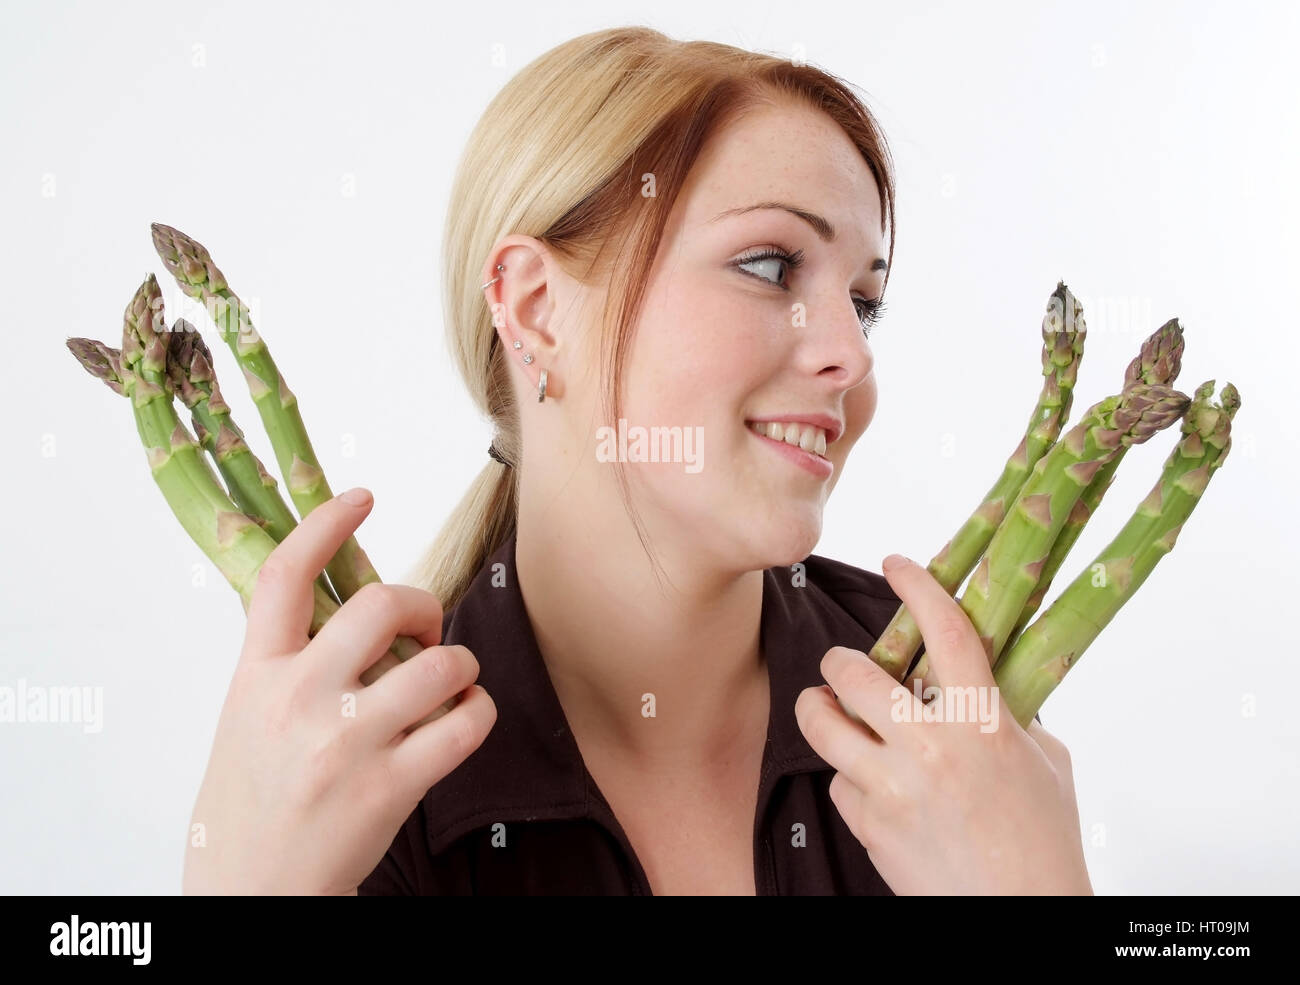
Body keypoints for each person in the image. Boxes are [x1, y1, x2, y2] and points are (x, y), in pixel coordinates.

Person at [181, 26, 1092, 896]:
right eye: (773, 266)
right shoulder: (363, 788)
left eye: (865, 302)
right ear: (538, 311)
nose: (851, 358)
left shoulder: (948, 710)